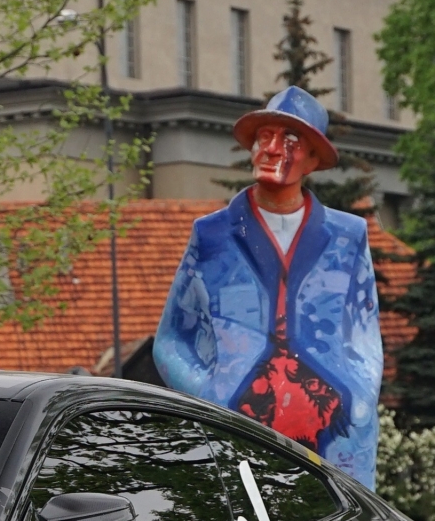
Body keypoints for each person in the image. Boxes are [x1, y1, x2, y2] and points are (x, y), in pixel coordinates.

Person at [153, 85, 385, 488]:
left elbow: (365, 332)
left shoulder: (348, 237)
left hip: (336, 443)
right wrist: (210, 395)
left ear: (313, 158)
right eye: (265, 137)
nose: (273, 149)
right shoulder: (212, 236)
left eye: (290, 140)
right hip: (236, 438)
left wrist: (359, 395)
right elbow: (171, 340)